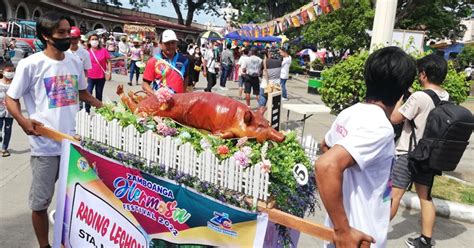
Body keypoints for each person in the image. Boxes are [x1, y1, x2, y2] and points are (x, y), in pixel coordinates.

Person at [5, 12, 102, 248]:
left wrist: (113, 111)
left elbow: (83, 93)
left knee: (74, 200)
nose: (67, 37)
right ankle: (44, 245)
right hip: (45, 148)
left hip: (74, 145)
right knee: (40, 203)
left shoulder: (75, 62)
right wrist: (23, 122)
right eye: (61, 33)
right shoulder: (31, 65)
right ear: (46, 36)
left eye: (68, 32)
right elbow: (11, 98)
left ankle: (66, 242)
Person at [315, 46, 416, 248]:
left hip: (344, 234)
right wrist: (343, 231)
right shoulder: (380, 127)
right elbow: (326, 165)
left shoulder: (350, 112)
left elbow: (326, 145)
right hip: (357, 237)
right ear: (402, 93)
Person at [390, 54, 449, 248]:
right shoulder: (445, 97)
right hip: (429, 155)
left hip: (408, 153)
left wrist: (400, 99)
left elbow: (395, 118)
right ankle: (425, 240)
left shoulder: (418, 97)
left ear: (423, 74)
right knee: (425, 197)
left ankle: (375, 231)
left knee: (394, 195)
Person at [142, 29, 189, 94]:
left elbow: (186, 77)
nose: (171, 46)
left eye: (173, 43)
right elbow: (145, 84)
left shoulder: (184, 60)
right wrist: (155, 95)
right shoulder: (153, 61)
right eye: (167, 43)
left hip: (179, 102)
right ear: (160, 45)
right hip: (160, 102)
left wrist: (183, 92)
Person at [86, 33, 111, 112]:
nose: (94, 41)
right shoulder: (87, 52)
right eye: (92, 39)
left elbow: (109, 62)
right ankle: (87, 110)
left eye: (96, 39)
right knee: (88, 93)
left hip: (100, 76)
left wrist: (109, 72)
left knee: (99, 94)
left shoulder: (103, 51)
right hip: (89, 77)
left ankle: (99, 111)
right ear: (89, 41)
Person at [0, 63, 14, 157]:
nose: (11, 73)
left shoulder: (14, 84)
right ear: (2, 71)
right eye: (9, 71)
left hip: (10, 112)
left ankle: (4, 148)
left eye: (12, 71)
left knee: (8, 130)